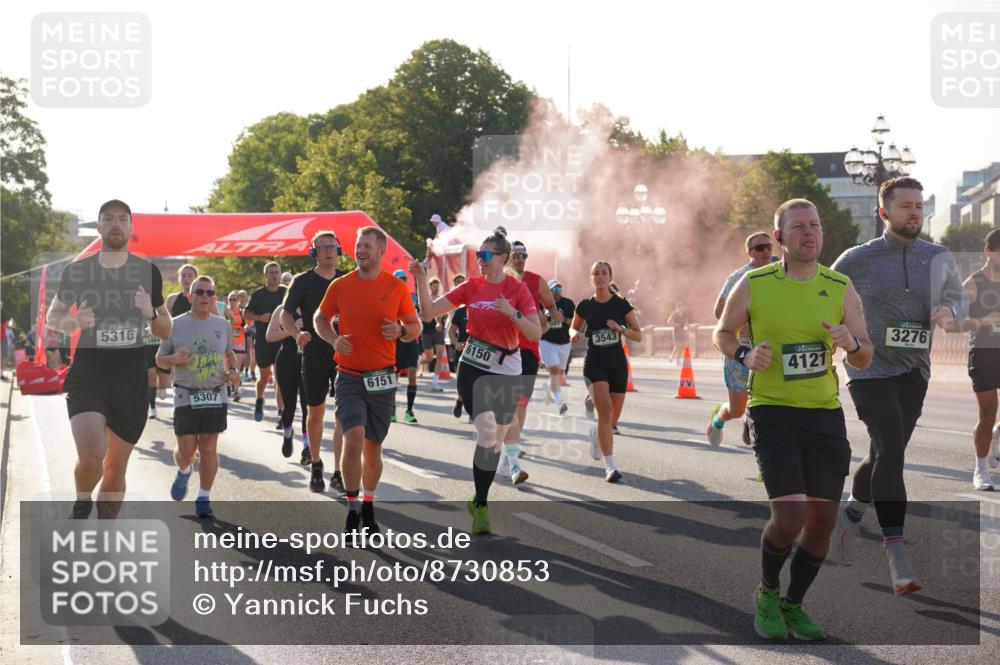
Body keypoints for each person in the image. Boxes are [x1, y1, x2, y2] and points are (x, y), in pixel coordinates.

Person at [715, 198, 873, 640]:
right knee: (790, 516)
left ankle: (793, 604)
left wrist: (851, 343)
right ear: (781, 238)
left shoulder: (840, 285)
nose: (810, 232)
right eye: (800, 226)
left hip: (824, 415)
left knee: (821, 525)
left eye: (816, 225)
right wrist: (745, 353)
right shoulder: (755, 282)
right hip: (773, 412)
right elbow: (722, 332)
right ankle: (766, 591)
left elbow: (865, 356)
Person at [829, 176, 966, 595]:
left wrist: (950, 313)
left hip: (913, 372)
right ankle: (898, 558)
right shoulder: (856, 258)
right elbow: (822, 295)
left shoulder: (939, 256)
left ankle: (849, 515)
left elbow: (959, 301)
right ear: (883, 212)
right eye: (905, 205)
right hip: (868, 368)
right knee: (890, 449)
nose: (914, 213)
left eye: (919, 206)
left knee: (885, 453)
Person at [46, 199, 170, 519]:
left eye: (122, 219)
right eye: (109, 219)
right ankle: (82, 497)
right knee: (92, 457)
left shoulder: (147, 271)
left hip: (130, 379)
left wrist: (151, 312)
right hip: (90, 374)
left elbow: (165, 329)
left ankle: (103, 544)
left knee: (115, 470)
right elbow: (53, 316)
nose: (116, 224)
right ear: (98, 227)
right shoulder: (79, 270)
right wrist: (74, 323)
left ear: (131, 228)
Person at [412, 231, 540, 534]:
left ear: (502, 258)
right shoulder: (472, 287)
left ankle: (479, 499)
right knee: (486, 433)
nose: (479, 261)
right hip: (474, 365)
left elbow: (534, 334)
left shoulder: (517, 290)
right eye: (477, 256)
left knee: (494, 440)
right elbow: (429, 313)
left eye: (485, 256)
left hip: (508, 367)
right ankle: (483, 509)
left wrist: (513, 313)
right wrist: (420, 278)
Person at [314, 227, 421, 538]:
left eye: (367, 245)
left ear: (381, 251)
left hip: (382, 379)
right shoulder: (341, 285)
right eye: (358, 244)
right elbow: (320, 319)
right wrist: (333, 340)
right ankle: (352, 507)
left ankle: (370, 506)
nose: (360, 250)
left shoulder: (395, 287)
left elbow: (414, 326)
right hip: (348, 375)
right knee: (354, 438)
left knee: (373, 449)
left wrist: (400, 332)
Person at [157, 276, 240, 518]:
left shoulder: (222, 324)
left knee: (208, 446)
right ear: (191, 296)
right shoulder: (174, 325)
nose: (205, 296)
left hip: (215, 392)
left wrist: (233, 371)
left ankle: (204, 497)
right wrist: (173, 359)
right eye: (200, 292)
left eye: (209, 293)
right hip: (186, 392)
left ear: (214, 297)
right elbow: (160, 359)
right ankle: (183, 471)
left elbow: (230, 353)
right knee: (186, 450)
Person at [282, 232, 347, 492]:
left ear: (339, 250)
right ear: (314, 252)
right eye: (323, 247)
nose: (329, 251)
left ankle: (340, 470)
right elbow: (285, 316)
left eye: (333, 247)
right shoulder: (302, 282)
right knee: (316, 411)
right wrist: (297, 334)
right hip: (314, 352)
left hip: (344, 350)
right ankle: (317, 463)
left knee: (344, 413)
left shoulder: (347, 279)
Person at [570, 262, 641, 482]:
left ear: (610, 277)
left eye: (604, 273)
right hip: (594, 362)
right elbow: (574, 326)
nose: (600, 277)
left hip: (617, 362)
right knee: (605, 410)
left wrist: (620, 329)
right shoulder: (585, 305)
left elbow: (638, 335)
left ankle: (596, 433)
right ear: (591, 278)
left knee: (611, 420)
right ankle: (610, 466)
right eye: (596, 274)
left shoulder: (621, 304)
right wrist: (573, 334)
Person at [708, 231, 776, 446]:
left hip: (768, 348)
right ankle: (719, 418)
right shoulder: (739, 278)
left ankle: (766, 452)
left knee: (773, 404)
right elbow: (719, 311)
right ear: (749, 253)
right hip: (739, 348)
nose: (765, 251)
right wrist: (745, 324)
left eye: (768, 246)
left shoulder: (781, 273)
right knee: (736, 409)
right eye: (759, 248)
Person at [501, 239, 560, 484]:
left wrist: (546, 321)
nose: (519, 260)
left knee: (521, 405)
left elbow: (551, 309)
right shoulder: (501, 279)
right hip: (503, 348)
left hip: (528, 351)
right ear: (508, 258)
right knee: (506, 405)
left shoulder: (536, 281)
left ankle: (511, 451)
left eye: (523, 256)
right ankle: (507, 450)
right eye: (515, 256)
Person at [956, 228, 1000, 489]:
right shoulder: (972, 284)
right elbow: (956, 321)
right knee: (988, 413)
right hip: (983, 354)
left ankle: (996, 436)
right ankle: (981, 470)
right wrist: (983, 320)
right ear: (987, 252)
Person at [244, 263, 287, 424]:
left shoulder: (286, 292)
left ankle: (281, 413)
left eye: (277, 272)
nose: (275, 275)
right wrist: (260, 318)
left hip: (281, 339)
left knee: (279, 378)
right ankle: (259, 399)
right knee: (264, 376)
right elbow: (246, 313)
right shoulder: (258, 294)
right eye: (271, 272)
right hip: (263, 341)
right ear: (265, 275)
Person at [267, 301, 310, 459]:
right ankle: (287, 433)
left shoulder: (313, 306)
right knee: (289, 405)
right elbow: (269, 336)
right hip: (287, 359)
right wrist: (292, 330)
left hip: (308, 359)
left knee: (308, 406)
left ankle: (307, 445)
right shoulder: (282, 309)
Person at [541, 278, 576, 416]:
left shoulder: (568, 303)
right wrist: (547, 318)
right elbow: (538, 320)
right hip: (547, 342)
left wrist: (564, 319)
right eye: (553, 289)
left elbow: (576, 321)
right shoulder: (544, 304)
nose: (556, 292)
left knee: (559, 374)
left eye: (558, 289)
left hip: (564, 343)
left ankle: (548, 390)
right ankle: (560, 402)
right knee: (554, 371)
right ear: (548, 291)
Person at [393, 269, 422, 424]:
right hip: (396, 342)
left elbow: (421, 316)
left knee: (412, 376)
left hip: (411, 341)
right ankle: (392, 410)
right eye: (399, 279)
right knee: (394, 377)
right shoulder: (389, 297)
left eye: (404, 279)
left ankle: (409, 411)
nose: (402, 281)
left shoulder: (413, 297)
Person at [447, 274, 470, 419]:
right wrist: (456, 344)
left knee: (475, 382)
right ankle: (460, 399)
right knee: (462, 382)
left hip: (476, 350)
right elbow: (451, 331)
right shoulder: (460, 312)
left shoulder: (480, 310)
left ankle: (471, 409)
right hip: (461, 350)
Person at [421, 278, 449, 392]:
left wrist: (442, 318)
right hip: (427, 330)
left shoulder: (442, 298)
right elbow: (422, 316)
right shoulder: (426, 299)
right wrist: (431, 317)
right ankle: (418, 362)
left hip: (438, 331)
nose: (436, 288)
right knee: (429, 357)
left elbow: (446, 313)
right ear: (430, 287)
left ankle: (435, 383)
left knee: (440, 355)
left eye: (437, 286)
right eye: (434, 286)